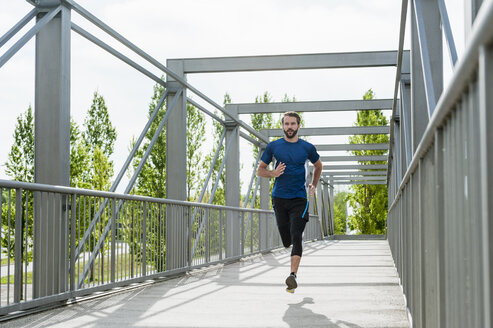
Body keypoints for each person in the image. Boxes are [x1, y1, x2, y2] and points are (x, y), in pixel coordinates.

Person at [257, 111, 322, 293]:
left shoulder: (307, 148)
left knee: (296, 235)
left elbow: (318, 166)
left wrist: (314, 185)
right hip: (279, 198)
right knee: (286, 239)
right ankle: (288, 245)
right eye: (286, 124)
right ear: (282, 126)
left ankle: (292, 275)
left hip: (299, 198)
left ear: (299, 126)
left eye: (293, 124)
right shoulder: (274, 147)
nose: (289, 127)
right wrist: (273, 173)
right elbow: (260, 171)